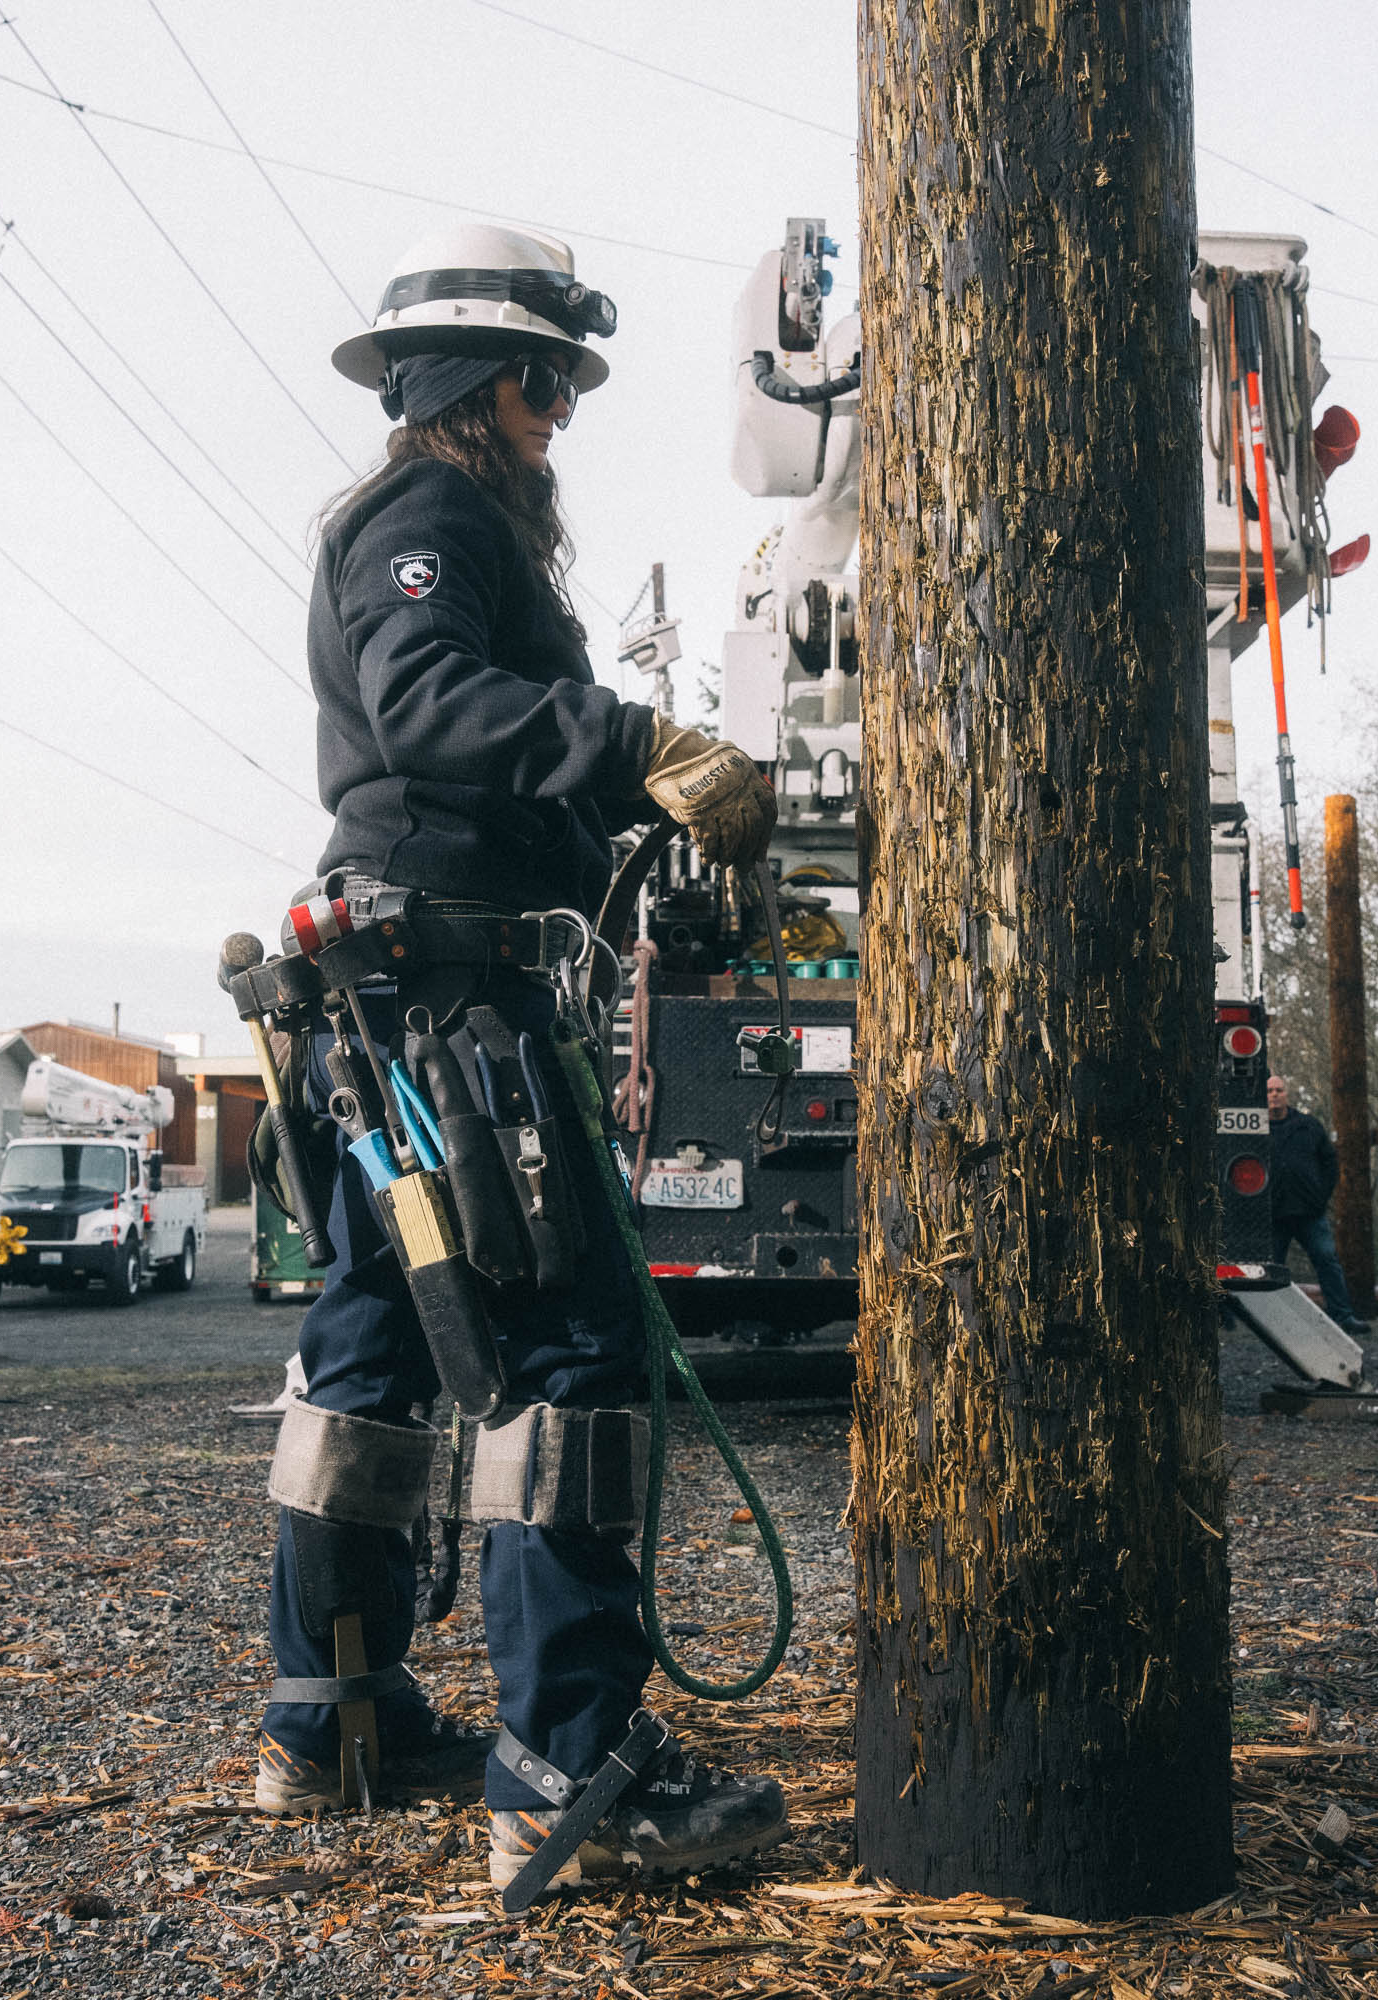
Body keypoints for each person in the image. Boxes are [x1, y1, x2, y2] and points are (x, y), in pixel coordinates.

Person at [253, 223, 791, 1898]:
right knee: (566, 1352)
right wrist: (636, 740)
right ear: (488, 387)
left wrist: (622, 800)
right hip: (449, 1001)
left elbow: (469, 736)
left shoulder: (422, 523)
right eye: (549, 388)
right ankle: (573, 1769)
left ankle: (332, 1715)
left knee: (372, 1355)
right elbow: (427, 704)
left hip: (388, 996)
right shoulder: (430, 522)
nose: (560, 418)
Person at [1265, 1075, 1364, 1333]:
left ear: (1287, 1093)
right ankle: (1272, 1323)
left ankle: (1343, 1316)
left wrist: (1320, 1196)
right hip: (1274, 1214)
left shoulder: (1308, 1126)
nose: (1274, 1095)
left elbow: (1330, 1163)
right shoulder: (1257, 1131)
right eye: (1270, 1091)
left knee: (1327, 1261)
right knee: (1269, 1270)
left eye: (1279, 1090)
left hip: (1309, 1212)